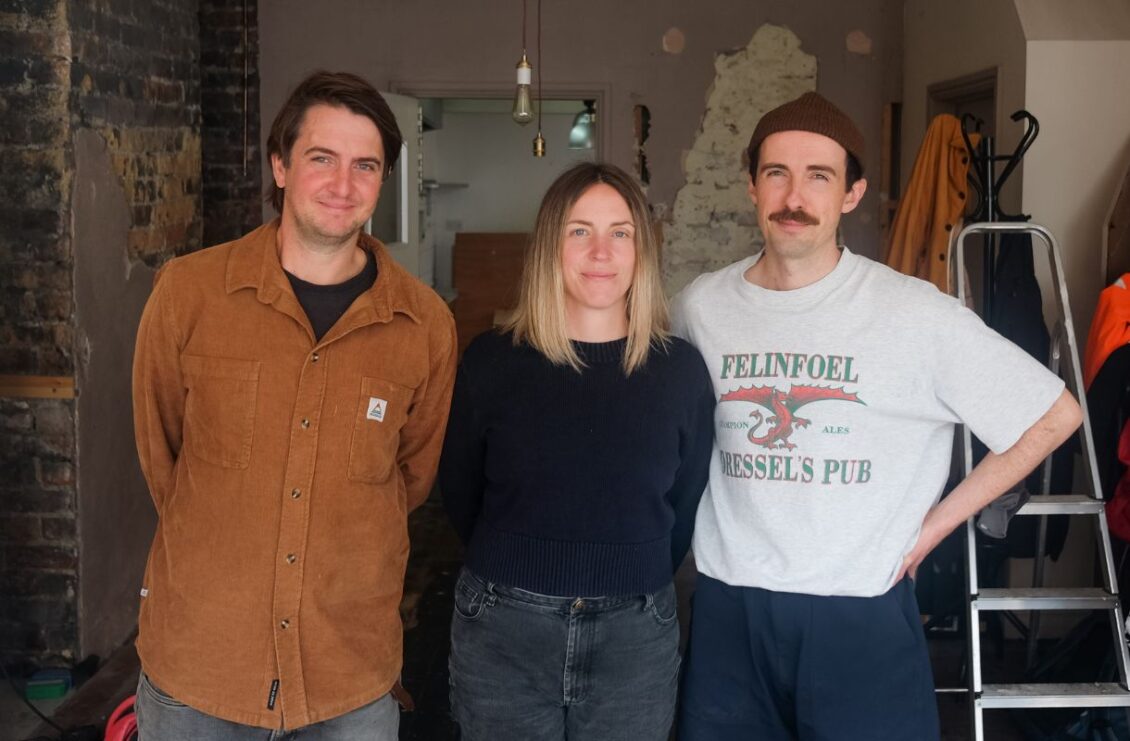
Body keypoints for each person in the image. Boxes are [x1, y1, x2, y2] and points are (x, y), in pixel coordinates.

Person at [672, 91, 1082, 740]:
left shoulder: (913, 313)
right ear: (752, 185)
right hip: (730, 608)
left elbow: (1053, 414)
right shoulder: (700, 306)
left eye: (819, 176)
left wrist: (933, 527)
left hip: (859, 612)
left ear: (852, 193)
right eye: (777, 173)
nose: (794, 197)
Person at [131, 70, 457, 739]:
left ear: (383, 179)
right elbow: (162, 455)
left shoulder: (424, 324)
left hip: (348, 670)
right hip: (202, 664)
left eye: (365, 165)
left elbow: (412, 478)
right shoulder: (188, 294)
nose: (344, 184)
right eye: (321, 158)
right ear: (280, 166)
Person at [439, 162, 715, 741]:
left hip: (635, 635)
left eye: (620, 233)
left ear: (641, 251)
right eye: (579, 230)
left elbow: (684, 500)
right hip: (503, 629)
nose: (600, 252)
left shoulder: (681, 373)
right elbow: (460, 490)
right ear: (550, 245)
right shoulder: (491, 362)